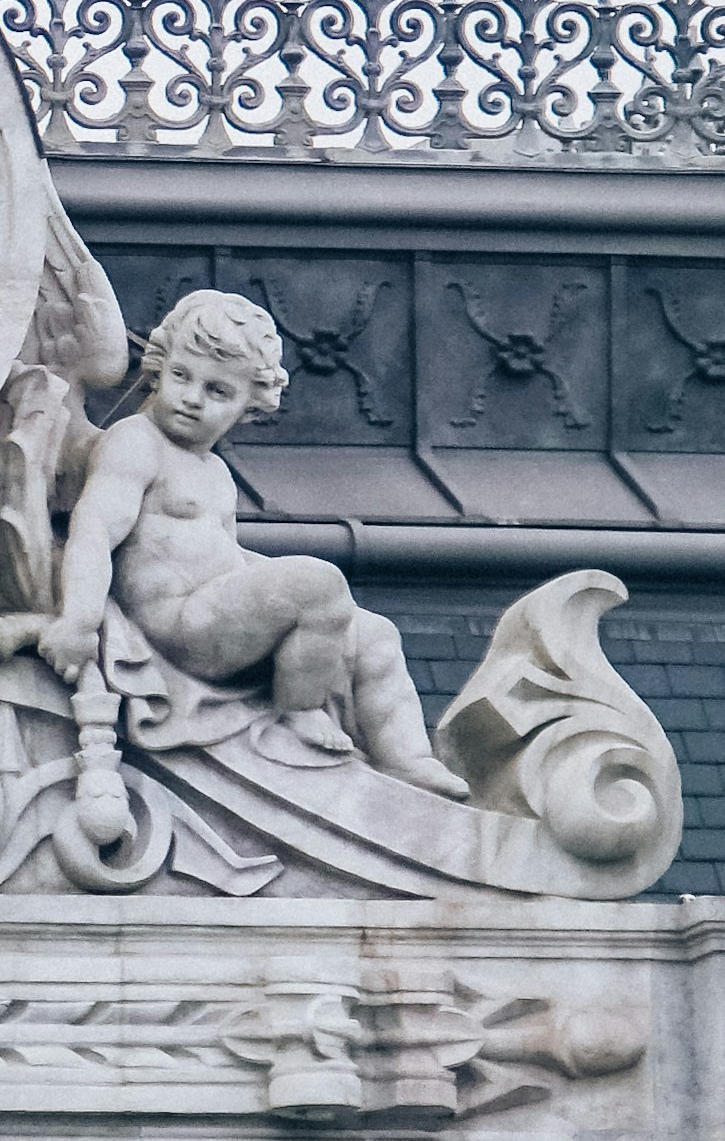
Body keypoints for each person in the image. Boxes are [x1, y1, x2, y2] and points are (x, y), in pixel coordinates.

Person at [38, 286, 465, 797]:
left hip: (216, 614)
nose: (192, 398)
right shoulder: (135, 441)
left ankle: (407, 759)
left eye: (218, 391)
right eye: (181, 376)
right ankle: (298, 715)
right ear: (159, 366)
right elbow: (94, 529)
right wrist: (79, 620)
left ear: (251, 405)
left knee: (373, 633)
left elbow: (225, 556)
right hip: (177, 627)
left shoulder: (215, 471)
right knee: (320, 584)